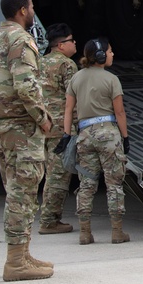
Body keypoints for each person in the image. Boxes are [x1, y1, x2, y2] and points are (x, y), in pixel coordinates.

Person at [0, 0, 54, 281]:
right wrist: (43, 118)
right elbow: (26, 86)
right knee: (23, 193)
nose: (33, 9)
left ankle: (22, 254)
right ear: (22, 10)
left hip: (2, 124)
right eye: (31, 5)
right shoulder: (21, 40)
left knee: (16, 189)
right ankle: (15, 262)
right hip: (21, 126)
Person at [59, 37, 130, 245]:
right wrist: (125, 137)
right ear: (100, 56)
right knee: (114, 183)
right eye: (109, 51)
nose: (112, 54)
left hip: (85, 135)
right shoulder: (111, 79)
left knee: (87, 184)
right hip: (108, 135)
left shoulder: (76, 78)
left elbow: (68, 109)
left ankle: (85, 233)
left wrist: (67, 135)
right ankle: (117, 232)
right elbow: (120, 112)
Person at [37, 23, 78, 235]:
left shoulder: (39, 62)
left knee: (45, 172)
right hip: (61, 127)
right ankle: (49, 220)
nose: (75, 43)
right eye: (72, 40)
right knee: (58, 175)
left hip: (42, 124)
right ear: (61, 45)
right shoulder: (67, 65)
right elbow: (74, 99)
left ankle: (48, 217)